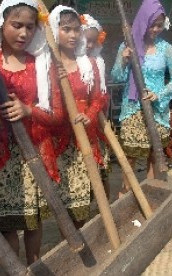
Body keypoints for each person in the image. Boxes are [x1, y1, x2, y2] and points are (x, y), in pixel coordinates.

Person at [0, 0, 64, 265]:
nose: (23, 33)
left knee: (32, 221)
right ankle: (13, 271)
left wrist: (28, 111)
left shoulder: (40, 63)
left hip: (32, 155)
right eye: (16, 25)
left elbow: (58, 114)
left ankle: (35, 267)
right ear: (1, 24)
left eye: (30, 27)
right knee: (6, 225)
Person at [110, 0, 172, 195]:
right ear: (143, 20)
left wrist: (158, 95)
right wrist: (123, 61)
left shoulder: (166, 49)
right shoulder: (128, 45)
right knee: (131, 156)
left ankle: (150, 194)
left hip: (157, 110)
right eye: (153, 24)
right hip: (132, 108)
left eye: (160, 25)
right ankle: (125, 196)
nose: (156, 29)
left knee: (153, 154)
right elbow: (116, 77)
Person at [48, 5, 107, 228]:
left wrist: (89, 115)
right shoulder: (46, 66)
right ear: (55, 30)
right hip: (59, 143)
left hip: (85, 141)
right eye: (66, 29)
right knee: (64, 205)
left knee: (83, 203)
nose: (73, 35)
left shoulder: (88, 64)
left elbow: (99, 98)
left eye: (76, 30)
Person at [81, 13, 111, 199]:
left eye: (93, 42)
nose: (90, 46)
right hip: (75, 123)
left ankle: (104, 209)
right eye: (87, 41)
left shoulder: (98, 62)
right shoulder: (67, 61)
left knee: (101, 172)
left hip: (95, 122)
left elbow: (101, 95)